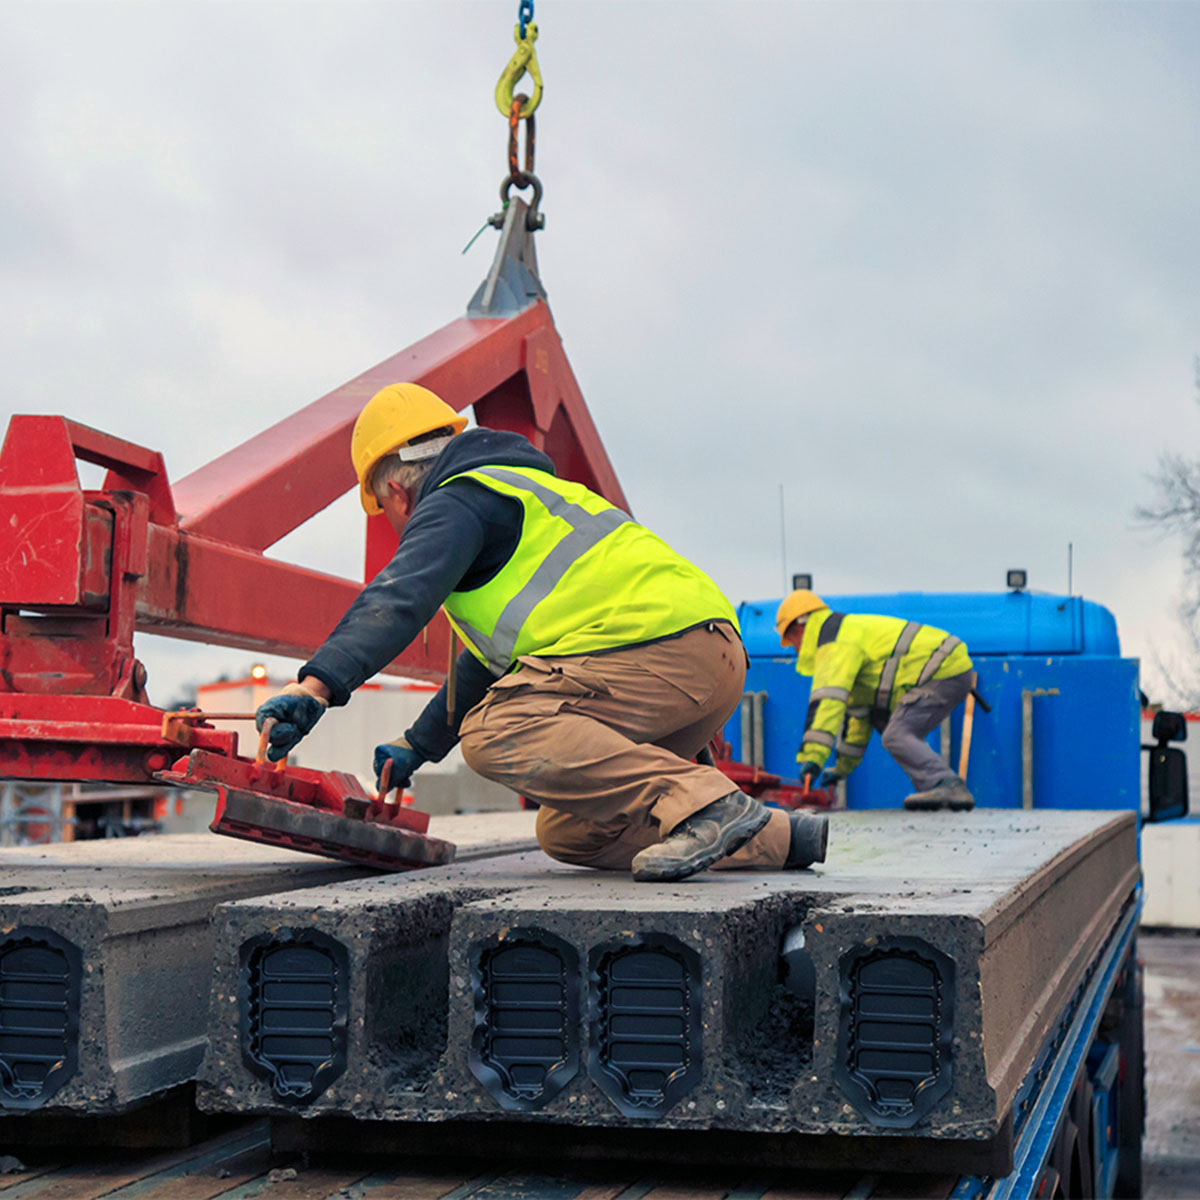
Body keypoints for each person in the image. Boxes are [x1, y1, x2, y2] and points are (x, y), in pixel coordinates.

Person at [254, 383, 828, 882]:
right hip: (702, 661)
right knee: (573, 833)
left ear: (397, 492)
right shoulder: (518, 498)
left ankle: (703, 803)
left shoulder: (460, 498)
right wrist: (416, 746)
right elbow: (485, 664)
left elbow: (397, 598)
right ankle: (777, 838)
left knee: (493, 732)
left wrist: (315, 688)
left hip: (662, 655)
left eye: (386, 507)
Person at [775, 589, 976, 811]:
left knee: (896, 734)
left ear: (800, 627)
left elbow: (826, 704)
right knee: (886, 724)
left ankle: (945, 784)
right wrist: (841, 769)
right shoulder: (843, 637)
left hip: (942, 669)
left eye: (791, 640)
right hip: (946, 668)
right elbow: (859, 720)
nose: (795, 648)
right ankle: (938, 790)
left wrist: (812, 759)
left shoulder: (836, 643)